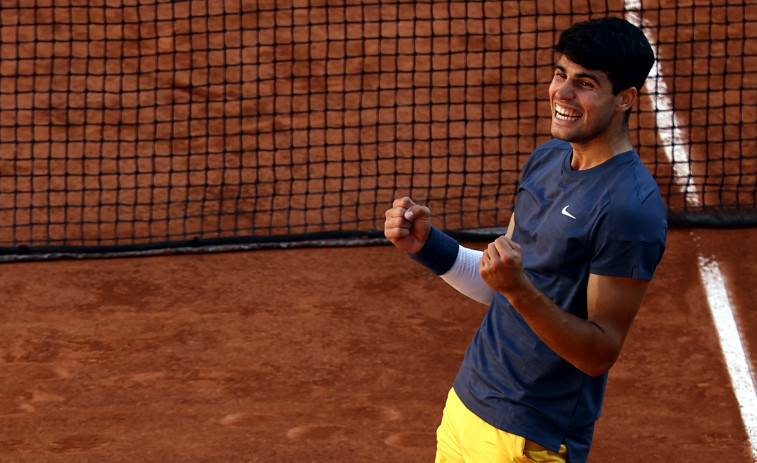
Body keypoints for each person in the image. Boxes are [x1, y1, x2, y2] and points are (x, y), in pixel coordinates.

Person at [383, 17, 667, 463]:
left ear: (627, 98)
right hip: (467, 403)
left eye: (586, 83)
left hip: (529, 437)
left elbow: (599, 352)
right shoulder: (548, 157)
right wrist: (427, 246)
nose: (563, 94)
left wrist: (517, 287)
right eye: (561, 74)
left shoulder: (629, 208)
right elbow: (502, 282)